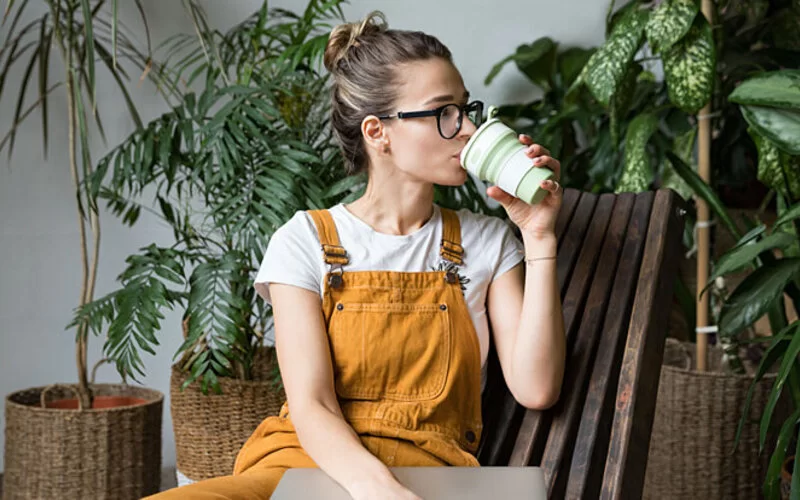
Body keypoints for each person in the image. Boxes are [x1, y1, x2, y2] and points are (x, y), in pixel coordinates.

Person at [150, 11, 565, 500]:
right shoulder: (304, 240)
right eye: (444, 112)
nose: (468, 128)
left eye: (465, 108)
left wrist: (538, 238)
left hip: (430, 476)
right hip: (298, 470)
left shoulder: (488, 243)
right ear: (377, 132)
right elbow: (312, 404)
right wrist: (379, 491)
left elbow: (537, 388)